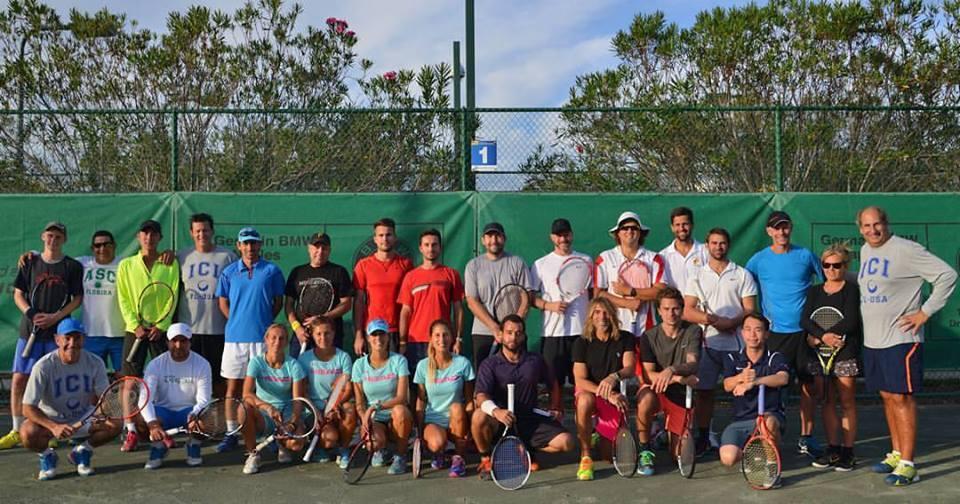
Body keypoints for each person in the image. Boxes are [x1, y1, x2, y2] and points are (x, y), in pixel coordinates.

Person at [857, 206, 957, 486]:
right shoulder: (865, 251)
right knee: (887, 396)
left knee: (901, 398)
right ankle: (897, 454)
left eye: (877, 224)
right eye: (866, 226)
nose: (873, 230)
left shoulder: (906, 249)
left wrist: (924, 313)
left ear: (886, 223)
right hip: (874, 340)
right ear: (860, 229)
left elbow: (947, 275)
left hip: (901, 340)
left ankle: (909, 465)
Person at [745, 210, 824, 457]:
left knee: (809, 387)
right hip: (775, 335)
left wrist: (818, 328)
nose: (782, 232)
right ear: (769, 231)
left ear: (791, 228)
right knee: (772, 387)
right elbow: (745, 286)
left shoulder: (805, 255)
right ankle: (768, 434)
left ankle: (806, 437)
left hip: (805, 335)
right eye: (776, 228)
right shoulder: (758, 260)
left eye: (785, 227)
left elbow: (827, 284)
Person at [3, 221, 83, 451]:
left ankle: (50, 430)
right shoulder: (29, 262)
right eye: (49, 236)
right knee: (19, 379)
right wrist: (31, 313)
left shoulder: (72, 266)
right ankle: (16, 430)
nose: (53, 240)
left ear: (64, 240)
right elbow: (18, 294)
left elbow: (77, 298)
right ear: (42, 237)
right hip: (29, 331)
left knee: (53, 382)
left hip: (58, 333)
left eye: (58, 237)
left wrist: (56, 317)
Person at [682, 227, 757, 456]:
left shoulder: (742, 274)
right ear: (707, 246)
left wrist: (732, 322)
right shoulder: (696, 275)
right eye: (714, 243)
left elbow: (750, 309)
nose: (718, 247)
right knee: (705, 393)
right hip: (708, 345)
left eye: (722, 243)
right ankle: (704, 437)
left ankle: (746, 436)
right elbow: (687, 310)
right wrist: (712, 320)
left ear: (728, 245)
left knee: (742, 391)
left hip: (736, 345)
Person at [472, 315, 574, 478]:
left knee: (566, 442)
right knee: (478, 416)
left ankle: (526, 449)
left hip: (529, 420)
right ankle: (486, 458)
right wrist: (497, 412)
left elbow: (552, 383)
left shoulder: (535, 360)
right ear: (501, 335)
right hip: (500, 422)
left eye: (518, 333)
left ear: (524, 336)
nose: (513, 337)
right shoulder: (489, 364)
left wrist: (555, 406)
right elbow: (480, 396)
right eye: (509, 332)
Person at [215, 227, 285, 453]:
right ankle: (231, 433)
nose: (250, 247)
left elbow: (278, 301)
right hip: (234, 340)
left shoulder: (272, 271)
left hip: (261, 340)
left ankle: (267, 432)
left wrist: (263, 322)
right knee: (232, 388)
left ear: (260, 245)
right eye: (245, 243)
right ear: (239, 246)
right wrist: (236, 320)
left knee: (263, 389)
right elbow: (222, 302)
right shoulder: (228, 272)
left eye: (253, 243)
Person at [19, 319, 118, 480]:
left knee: (116, 423)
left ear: (83, 340)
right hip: (51, 420)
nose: (72, 343)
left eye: (77, 338)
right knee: (27, 433)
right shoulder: (43, 366)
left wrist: (102, 411)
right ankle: (47, 456)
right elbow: (27, 408)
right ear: (57, 340)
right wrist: (54, 427)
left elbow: (105, 398)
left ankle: (82, 451)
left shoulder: (95, 362)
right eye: (67, 338)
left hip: (83, 417)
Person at [116, 219, 181, 452]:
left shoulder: (170, 263)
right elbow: (123, 297)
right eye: (145, 233)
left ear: (159, 238)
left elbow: (173, 294)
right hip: (135, 331)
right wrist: (135, 325)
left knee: (163, 381)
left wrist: (161, 325)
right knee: (130, 382)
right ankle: (130, 430)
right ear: (138, 237)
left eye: (153, 234)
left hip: (160, 331)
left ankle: (162, 428)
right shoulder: (126, 265)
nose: (149, 238)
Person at [801, 243, 862, 472]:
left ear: (845, 266)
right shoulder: (814, 291)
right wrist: (820, 337)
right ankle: (833, 449)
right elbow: (804, 320)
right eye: (826, 265)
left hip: (845, 352)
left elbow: (851, 321)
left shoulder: (851, 290)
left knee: (847, 402)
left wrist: (826, 336)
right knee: (826, 401)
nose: (831, 270)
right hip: (819, 354)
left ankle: (848, 452)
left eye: (836, 265)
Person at [719, 312, 790, 488]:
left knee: (768, 421)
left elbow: (783, 378)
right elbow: (727, 385)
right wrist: (741, 377)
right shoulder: (732, 358)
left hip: (770, 417)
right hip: (740, 421)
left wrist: (755, 382)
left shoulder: (775, 357)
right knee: (728, 458)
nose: (752, 334)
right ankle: (754, 453)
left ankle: (772, 470)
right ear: (742, 333)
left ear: (766, 334)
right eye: (748, 329)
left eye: (758, 330)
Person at [635, 288, 701, 476]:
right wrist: (678, 378)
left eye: (675, 308)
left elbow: (692, 363)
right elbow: (649, 375)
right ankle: (644, 450)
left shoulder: (694, 331)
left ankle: (666, 435)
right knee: (645, 399)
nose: (671, 313)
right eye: (666, 309)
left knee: (679, 456)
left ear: (682, 309)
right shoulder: (648, 336)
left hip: (680, 394)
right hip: (656, 390)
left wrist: (671, 369)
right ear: (659, 311)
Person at [571, 297, 635, 481]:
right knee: (584, 400)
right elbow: (580, 380)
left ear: (613, 315)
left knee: (608, 457)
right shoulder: (581, 343)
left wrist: (613, 377)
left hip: (613, 395)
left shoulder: (626, 338)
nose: (602, 317)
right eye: (597, 312)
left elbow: (630, 368)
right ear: (591, 317)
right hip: (591, 393)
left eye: (606, 312)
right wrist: (608, 393)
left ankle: (597, 434)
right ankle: (585, 456)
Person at [176, 213, 237, 399]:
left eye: (205, 230)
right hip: (189, 330)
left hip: (218, 329)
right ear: (191, 233)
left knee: (218, 379)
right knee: (189, 378)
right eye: (198, 231)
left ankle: (216, 413)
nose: (202, 234)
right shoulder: (181, 257)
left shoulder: (228, 257)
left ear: (212, 231)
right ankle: (191, 412)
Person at [139, 323, 212, 469]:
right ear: (167, 342)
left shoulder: (202, 364)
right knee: (139, 420)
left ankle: (194, 444)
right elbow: (145, 398)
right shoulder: (155, 365)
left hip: (188, 412)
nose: (178, 345)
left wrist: (195, 413)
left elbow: (204, 399)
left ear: (190, 342)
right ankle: (158, 447)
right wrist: (152, 423)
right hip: (163, 412)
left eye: (183, 341)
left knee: (208, 419)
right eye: (174, 341)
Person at [530, 218, 592, 389]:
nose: (563, 239)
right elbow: (531, 298)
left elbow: (594, 294)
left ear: (572, 235)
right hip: (552, 333)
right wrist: (549, 306)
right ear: (552, 237)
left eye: (566, 235)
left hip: (581, 333)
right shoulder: (540, 264)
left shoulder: (586, 260)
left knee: (582, 383)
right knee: (553, 384)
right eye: (558, 236)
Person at [240, 324, 309, 475]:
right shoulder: (256, 362)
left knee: (296, 444)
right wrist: (267, 407)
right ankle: (253, 454)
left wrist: (292, 423)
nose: (277, 342)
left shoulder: (294, 365)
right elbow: (247, 393)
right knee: (243, 409)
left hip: (287, 413)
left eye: (281, 338)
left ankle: (282, 444)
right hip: (264, 414)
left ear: (286, 342)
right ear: (266, 340)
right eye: (273, 338)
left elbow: (298, 400)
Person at [351, 318, 414, 475]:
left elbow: (402, 398)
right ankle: (382, 450)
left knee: (400, 411)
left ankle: (400, 455)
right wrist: (364, 420)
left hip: (395, 416)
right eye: (374, 335)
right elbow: (359, 403)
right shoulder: (359, 365)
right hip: (375, 419)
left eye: (382, 334)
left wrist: (375, 407)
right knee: (373, 444)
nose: (378, 338)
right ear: (368, 338)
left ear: (388, 337)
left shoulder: (399, 361)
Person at [413, 319, 475, 477]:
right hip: (433, 421)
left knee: (457, 407)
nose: (442, 339)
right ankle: (440, 453)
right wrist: (419, 432)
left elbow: (469, 400)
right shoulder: (422, 366)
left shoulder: (463, 363)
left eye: (445, 335)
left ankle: (458, 458)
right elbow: (421, 401)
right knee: (436, 443)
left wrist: (471, 428)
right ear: (431, 339)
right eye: (437, 335)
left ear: (452, 337)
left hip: (457, 420)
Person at [398, 229, 465, 376]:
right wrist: (403, 342)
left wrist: (458, 338)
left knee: (443, 382)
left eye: (434, 245)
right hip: (416, 341)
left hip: (443, 340)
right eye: (427, 245)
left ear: (440, 247)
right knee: (418, 385)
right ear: (420, 248)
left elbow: (458, 309)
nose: (430, 249)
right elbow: (405, 312)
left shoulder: (451, 274)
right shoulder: (410, 277)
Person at [594, 211, 667, 343]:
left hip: (647, 331)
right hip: (614, 330)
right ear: (618, 233)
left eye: (634, 228)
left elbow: (660, 292)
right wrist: (628, 304)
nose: (629, 231)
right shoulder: (605, 258)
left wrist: (630, 291)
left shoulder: (654, 259)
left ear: (640, 233)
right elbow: (598, 294)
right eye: (625, 228)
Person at [464, 222, 531, 367]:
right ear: (483, 240)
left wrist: (512, 328)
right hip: (483, 333)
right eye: (489, 236)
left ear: (504, 239)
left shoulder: (517, 263)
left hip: (515, 335)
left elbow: (526, 296)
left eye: (497, 236)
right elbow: (472, 302)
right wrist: (494, 327)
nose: (493, 240)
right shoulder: (473, 266)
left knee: (518, 375)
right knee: (485, 376)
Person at [297, 316, 356, 468]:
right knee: (329, 438)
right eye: (318, 334)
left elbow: (348, 388)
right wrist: (316, 412)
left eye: (327, 333)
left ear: (334, 333)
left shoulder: (343, 357)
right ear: (312, 335)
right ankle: (321, 446)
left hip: (336, 407)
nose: (323, 338)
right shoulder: (304, 359)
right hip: (313, 410)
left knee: (350, 409)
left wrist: (336, 405)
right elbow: (302, 391)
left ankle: (344, 449)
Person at [285, 232, 354, 354]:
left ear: (329, 250)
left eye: (324, 248)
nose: (320, 251)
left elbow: (347, 304)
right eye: (316, 247)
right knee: (297, 366)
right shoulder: (297, 272)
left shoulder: (339, 272)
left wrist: (322, 318)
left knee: (331, 367)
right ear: (309, 249)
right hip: (302, 335)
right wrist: (297, 328)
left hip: (329, 336)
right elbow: (289, 305)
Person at [353, 218, 414, 355]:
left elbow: (410, 302)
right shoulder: (363, 265)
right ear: (375, 239)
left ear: (395, 237)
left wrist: (404, 337)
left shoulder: (406, 264)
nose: (385, 239)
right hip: (372, 330)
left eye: (388, 235)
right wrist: (358, 334)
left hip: (398, 331)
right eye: (381, 235)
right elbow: (358, 301)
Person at [659, 207, 708, 292]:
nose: (681, 228)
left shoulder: (706, 251)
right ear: (672, 227)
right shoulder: (663, 256)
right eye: (677, 225)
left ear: (692, 225)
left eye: (685, 224)